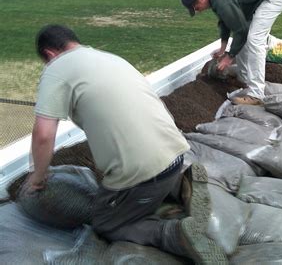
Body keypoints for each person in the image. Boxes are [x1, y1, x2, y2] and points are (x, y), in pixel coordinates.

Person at [24, 24, 227, 264]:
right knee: (148, 179)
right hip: (177, 155)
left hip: (144, 174)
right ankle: (179, 187)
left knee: (107, 223)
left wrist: (38, 177)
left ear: (49, 55)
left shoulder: (56, 69)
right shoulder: (108, 58)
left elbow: (44, 135)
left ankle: (172, 233)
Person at [181, 0, 282, 106]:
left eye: (195, 7)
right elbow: (225, 21)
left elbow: (241, 30)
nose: (197, 11)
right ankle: (243, 78)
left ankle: (256, 95)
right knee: (244, 38)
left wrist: (229, 57)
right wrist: (223, 48)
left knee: (254, 39)